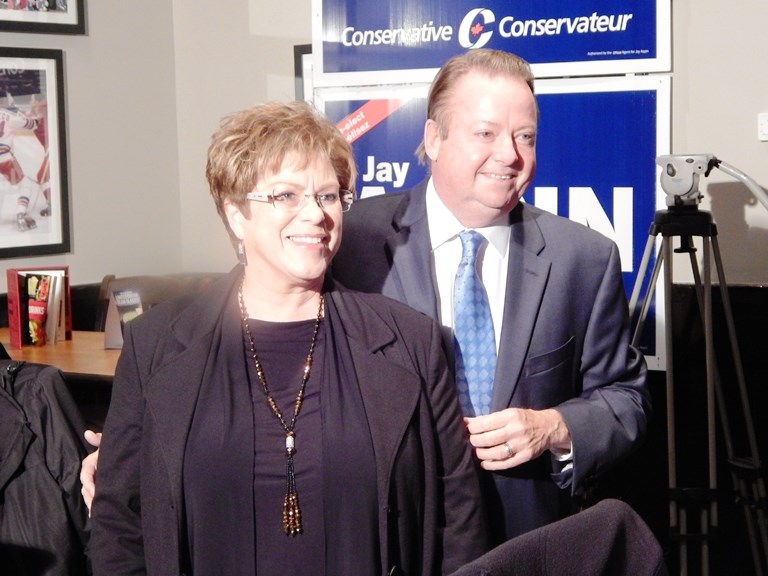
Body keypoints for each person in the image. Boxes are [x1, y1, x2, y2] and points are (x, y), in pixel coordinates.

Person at [87, 100, 488, 575]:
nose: (315, 215)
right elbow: (119, 523)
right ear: (236, 213)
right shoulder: (156, 345)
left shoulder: (411, 342)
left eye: (328, 195)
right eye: (286, 196)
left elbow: (459, 519)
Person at [331, 49, 651, 542]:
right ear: (433, 138)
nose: (510, 155)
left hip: (527, 541)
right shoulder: (351, 243)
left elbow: (626, 398)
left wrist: (556, 426)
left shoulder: (583, 259)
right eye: (486, 133)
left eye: (525, 136)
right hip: (391, 537)